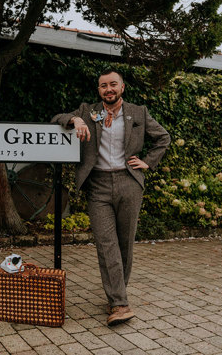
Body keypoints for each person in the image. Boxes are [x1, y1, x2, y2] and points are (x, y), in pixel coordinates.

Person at [52, 69, 170, 326]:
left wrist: (148, 162)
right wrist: (75, 120)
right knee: (107, 244)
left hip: (129, 183)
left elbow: (163, 138)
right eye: (103, 86)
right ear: (99, 90)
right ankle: (119, 303)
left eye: (113, 84)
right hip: (98, 185)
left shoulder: (138, 113)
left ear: (122, 87)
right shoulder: (88, 111)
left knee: (125, 244)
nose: (109, 89)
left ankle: (117, 294)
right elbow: (55, 119)